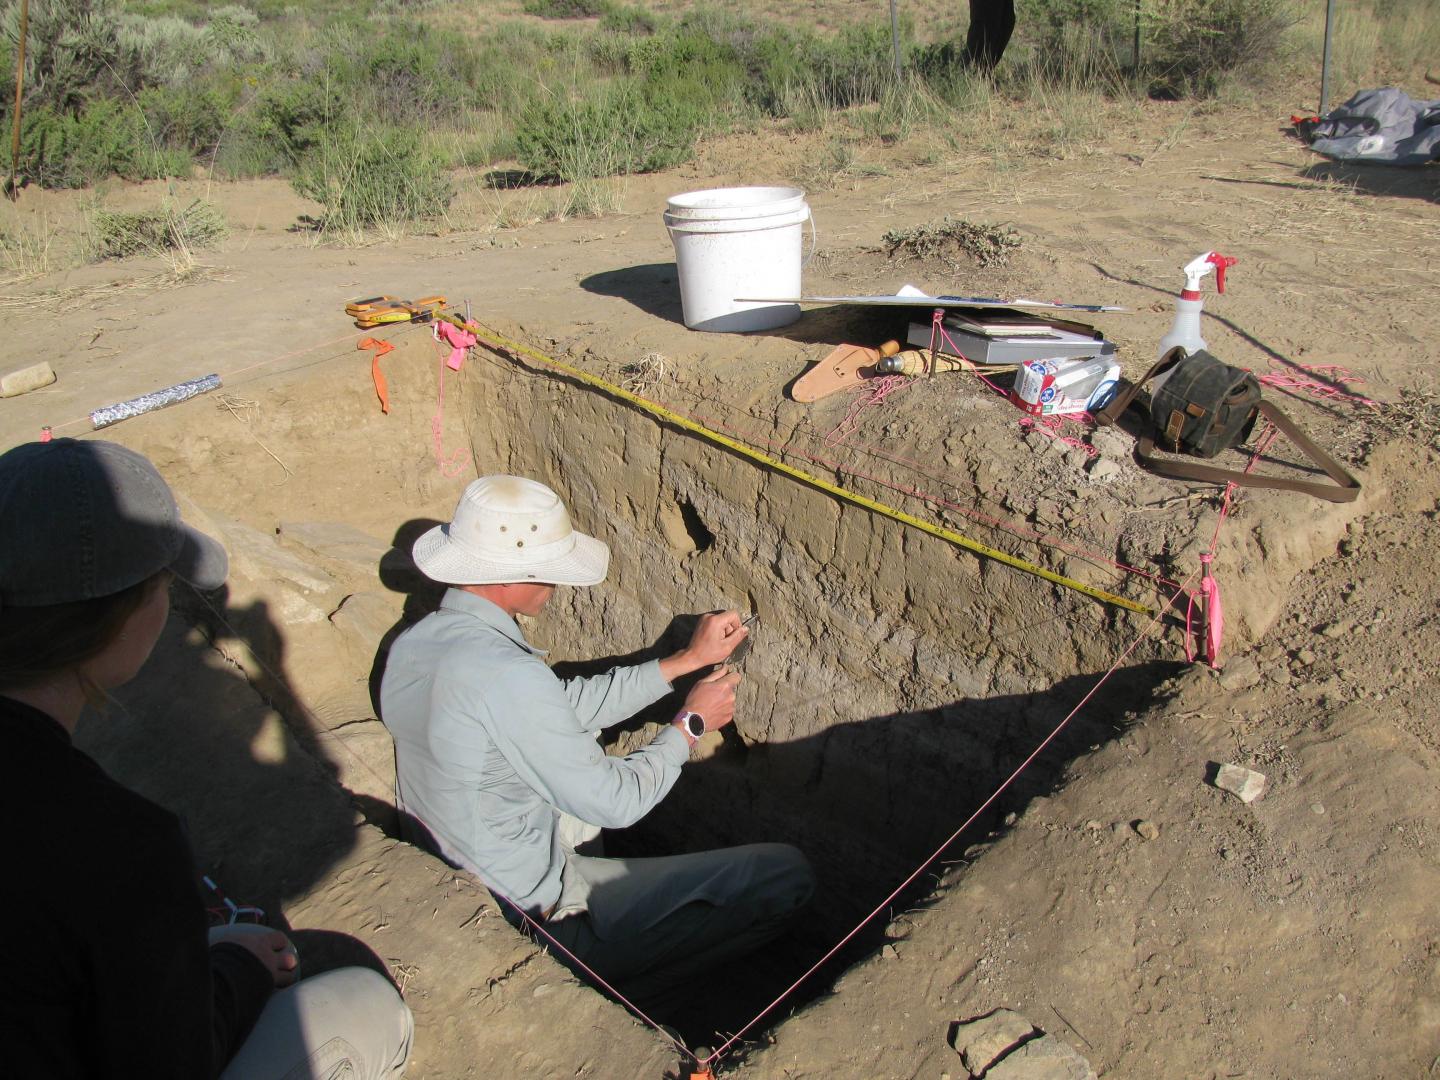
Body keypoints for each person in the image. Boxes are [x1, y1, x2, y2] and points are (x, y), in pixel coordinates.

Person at [0, 437, 413, 1079]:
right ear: (121, 616)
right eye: (161, 587)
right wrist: (239, 970)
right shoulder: (119, 844)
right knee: (367, 999)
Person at [380, 475, 814, 1005]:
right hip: (526, 915)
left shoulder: (417, 642)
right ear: (509, 576)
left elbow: (563, 706)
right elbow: (616, 802)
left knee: (577, 749)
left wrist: (685, 661)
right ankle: (608, 997)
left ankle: (614, 942)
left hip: (473, 861)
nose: (557, 586)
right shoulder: (506, 676)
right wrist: (691, 725)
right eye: (549, 572)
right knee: (787, 876)